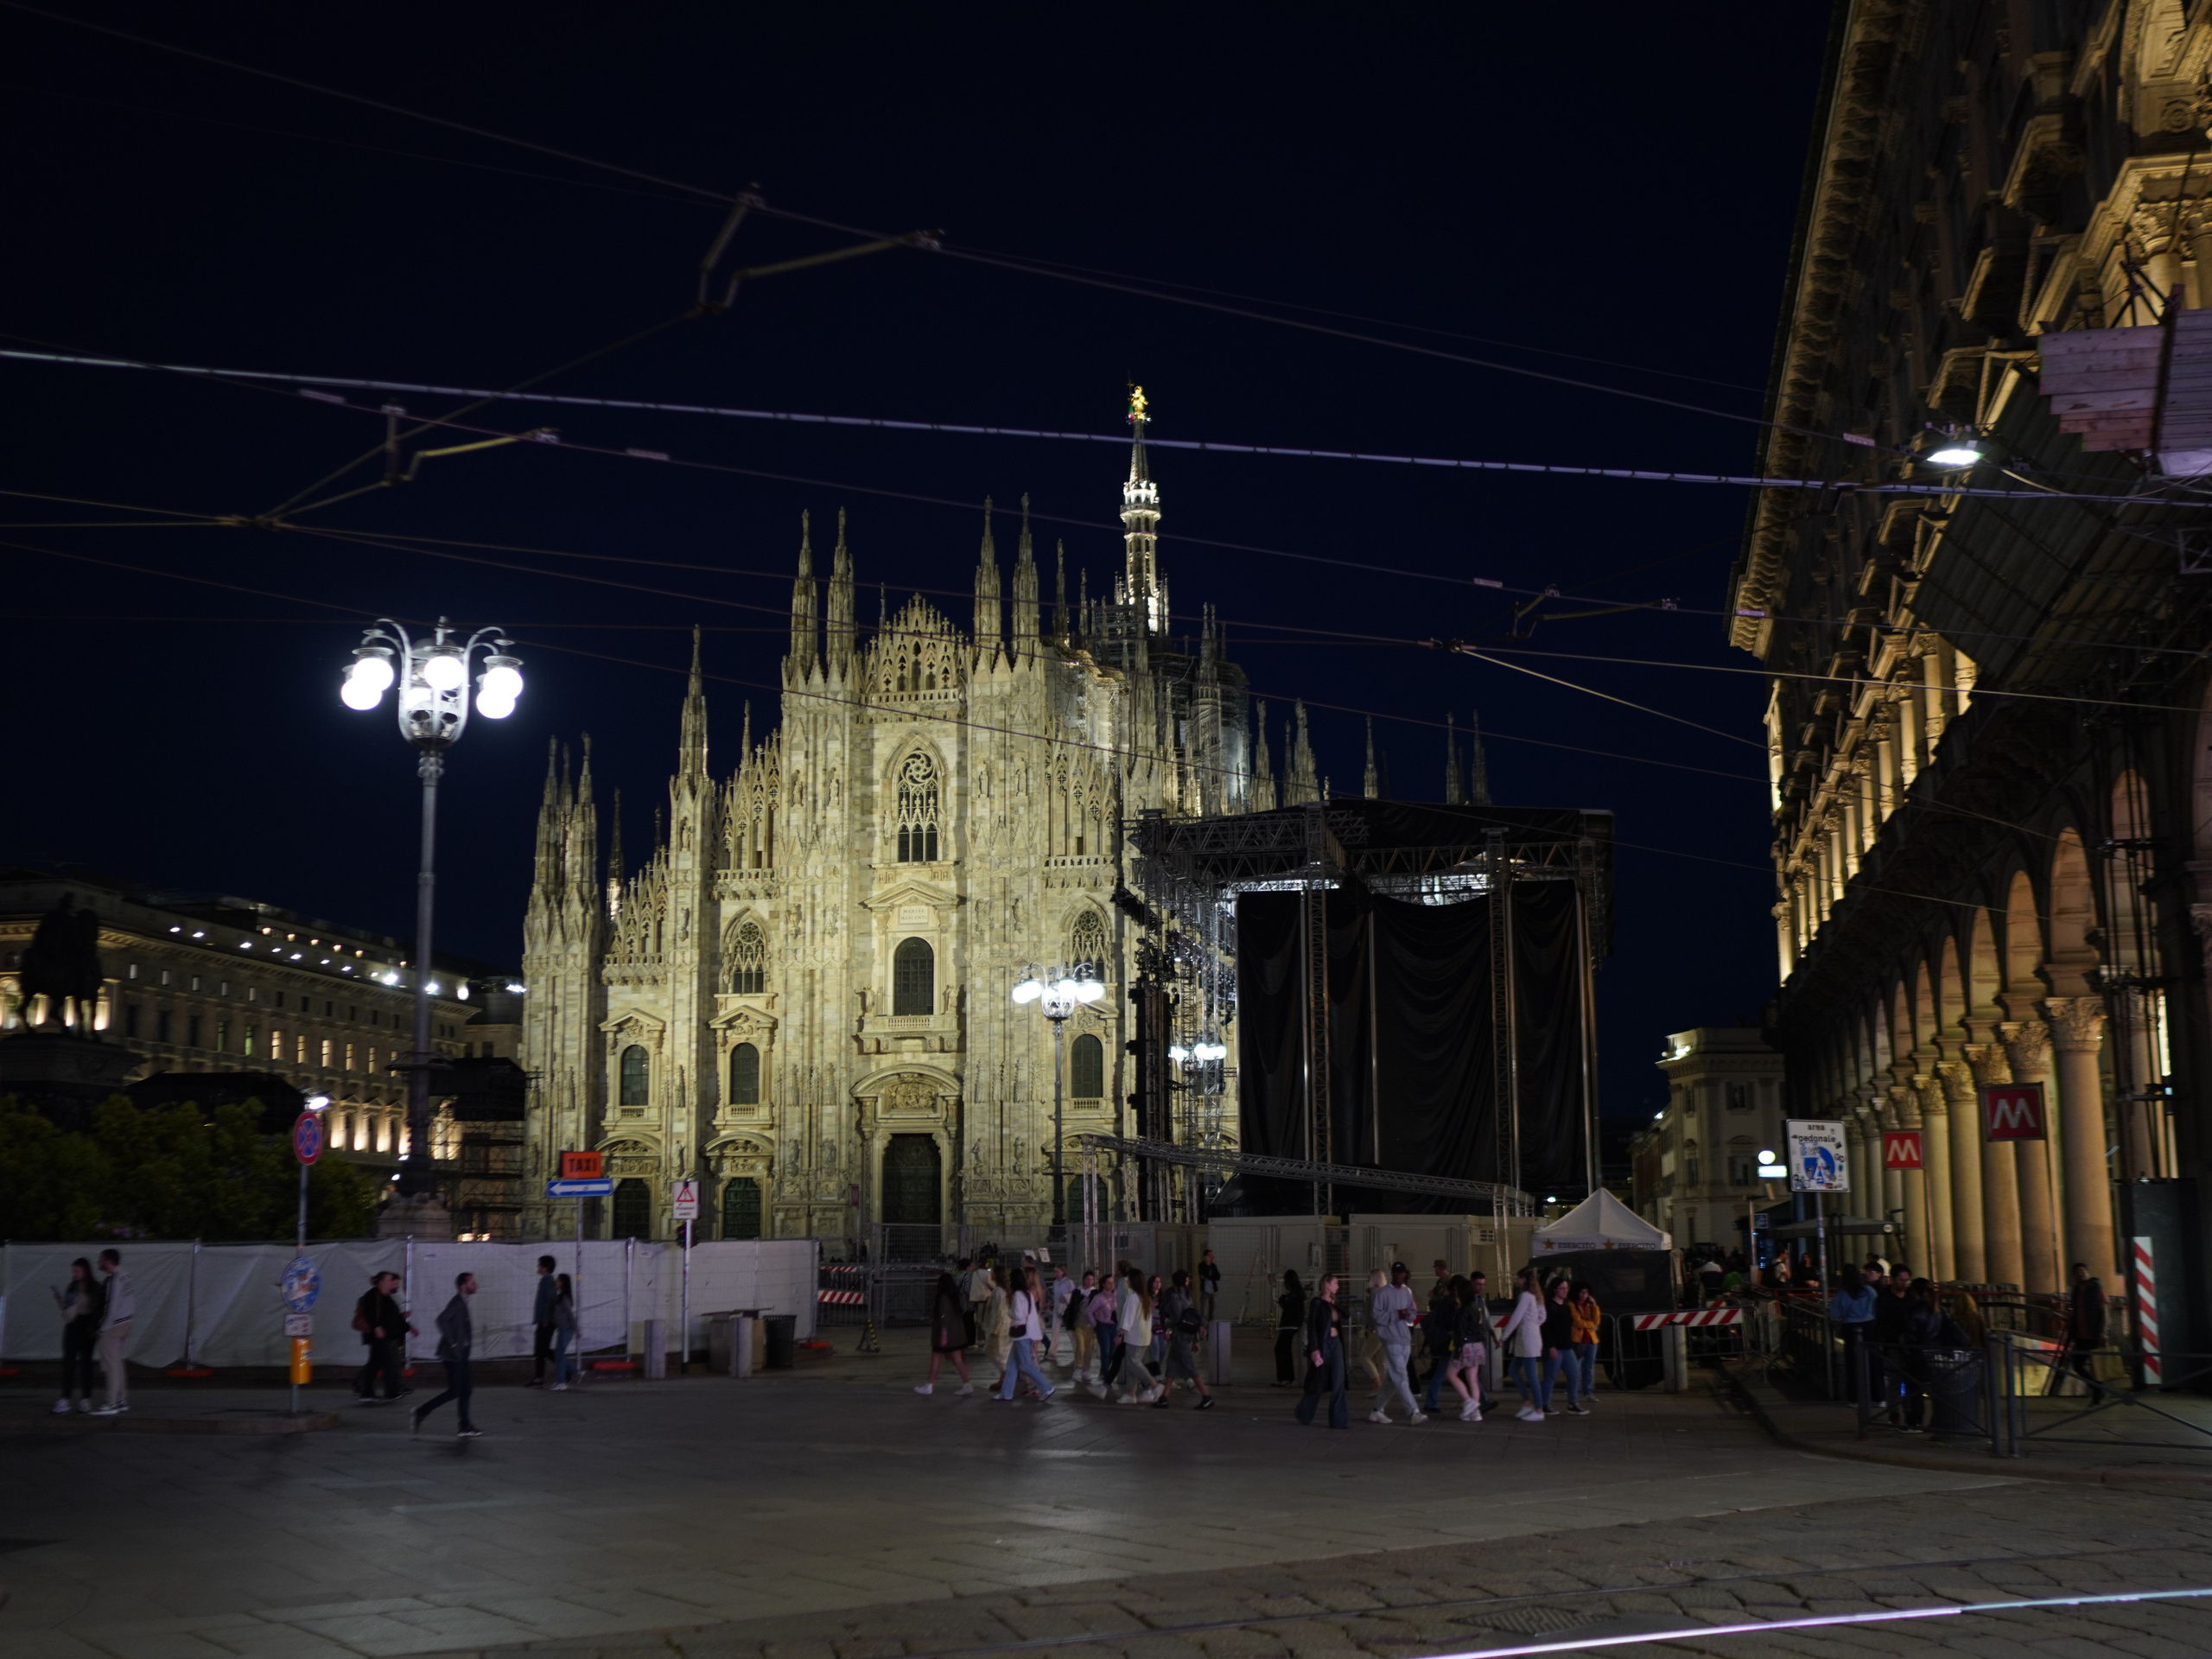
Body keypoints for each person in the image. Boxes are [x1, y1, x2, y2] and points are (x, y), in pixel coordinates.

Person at [410, 1272, 481, 1439]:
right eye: (472, 1283)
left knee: (466, 1390)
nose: (475, 1285)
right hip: (453, 1356)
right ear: (463, 1286)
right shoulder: (457, 1303)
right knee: (455, 1391)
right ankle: (421, 1412)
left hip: (460, 1355)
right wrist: (452, 1343)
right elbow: (441, 1320)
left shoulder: (462, 1303)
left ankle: (464, 1425)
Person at [1368, 1261, 1425, 1425]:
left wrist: (1407, 1315)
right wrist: (1396, 1315)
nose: (1400, 1276)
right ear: (1392, 1274)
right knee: (1401, 1376)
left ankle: (1377, 1410)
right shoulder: (1383, 1293)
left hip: (1404, 1338)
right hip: (1391, 1339)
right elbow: (1377, 1316)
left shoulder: (1407, 1292)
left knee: (1392, 1380)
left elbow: (1413, 1313)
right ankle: (1413, 1412)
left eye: (1402, 1273)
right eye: (1397, 1273)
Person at [995, 1266, 1057, 1403]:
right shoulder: (1027, 1294)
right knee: (1012, 1365)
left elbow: (1017, 1314)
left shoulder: (1017, 1295)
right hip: (1027, 1333)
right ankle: (1006, 1393)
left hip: (1020, 1334)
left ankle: (1047, 1387)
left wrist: (1009, 1312)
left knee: (1026, 1365)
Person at [1294, 1272, 1349, 1428]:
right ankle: (1303, 1413)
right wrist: (1315, 1348)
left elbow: (1347, 1315)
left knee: (1339, 1381)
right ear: (1327, 1284)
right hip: (1324, 1345)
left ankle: (1339, 1420)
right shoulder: (1317, 1303)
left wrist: (1333, 1302)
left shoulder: (1334, 1303)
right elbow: (1312, 1327)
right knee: (1318, 1381)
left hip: (1336, 1344)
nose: (1337, 1286)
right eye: (1335, 1283)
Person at [1156, 1269, 1216, 1408]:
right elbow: (1192, 1317)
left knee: (1190, 1367)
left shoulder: (1175, 1297)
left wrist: (1166, 1324)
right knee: (1171, 1366)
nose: (1188, 1281)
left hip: (1179, 1337)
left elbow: (1177, 1318)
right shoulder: (1187, 1296)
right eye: (1187, 1279)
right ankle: (1164, 1397)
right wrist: (1195, 1338)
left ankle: (1206, 1397)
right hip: (1186, 1336)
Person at [353, 1269, 413, 1403]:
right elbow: (370, 1314)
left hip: (383, 1337)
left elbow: (393, 1318)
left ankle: (367, 1392)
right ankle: (391, 1392)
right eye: (390, 1280)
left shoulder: (386, 1298)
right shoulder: (373, 1295)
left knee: (375, 1364)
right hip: (377, 1337)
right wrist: (376, 1327)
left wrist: (409, 1327)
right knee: (388, 1364)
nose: (392, 1283)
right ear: (382, 1282)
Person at [1497, 1267, 1547, 1422]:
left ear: (1525, 1280)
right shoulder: (1536, 1296)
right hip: (1531, 1337)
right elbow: (1543, 1316)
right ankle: (1527, 1402)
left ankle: (1538, 1409)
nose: (1517, 1281)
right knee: (1514, 1370)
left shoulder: (1525, 1296)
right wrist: (1533, 1323)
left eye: (1519, 1278)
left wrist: (1504, 1337)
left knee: (1530, 1375)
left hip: (1526, 1339)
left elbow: (1516, 1318)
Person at [51, 1257, 100, 1414]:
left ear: (85, 1271)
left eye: (77, 1271)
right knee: (68, 1363)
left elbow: (99, 1310)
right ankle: (65, 1398)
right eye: (73, 1271)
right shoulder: (72, 1287)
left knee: (86, 1364)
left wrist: (94, 1327)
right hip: (72, 1326)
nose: (74, 1274)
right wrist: (66, 1308)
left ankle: (86, 1399)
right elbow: (66, 1313)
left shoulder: (95, 1287)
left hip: (87, 1327)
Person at [915, 1270, 976, 1396]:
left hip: (945, 1334)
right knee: (958, 1360)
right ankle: (967, 1384)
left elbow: (944, 1317)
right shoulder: (956, 1296)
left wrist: (943, 1333)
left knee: (936, 1357)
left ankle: (929, 1385)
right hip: (957, 1334)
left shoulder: (943, 1297)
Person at [89, 1248, 134, 1416]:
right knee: (117, 1363)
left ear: (108, 1261)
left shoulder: (115, 1279)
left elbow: (112, 1307)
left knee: (111, 1366)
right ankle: (121, 1399)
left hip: (114, 1325)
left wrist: (102, 1329)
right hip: (126, 1323)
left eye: (100, 1260)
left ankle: (111, 1402)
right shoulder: (126, 1275)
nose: (98, 1263)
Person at [1114, 1267, 1159, 1403]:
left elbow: (1128, 1319)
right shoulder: (1145, 1297)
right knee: (1132, 1364)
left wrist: (1120, 1335)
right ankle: (1131, 1393)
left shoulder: (1133, 1297)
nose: (1127, 1282)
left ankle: (1154, 1385)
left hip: (1134, 1336)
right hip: (1144, 1335)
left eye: (1128, 1280)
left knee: (1134, 1363)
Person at [1445, 1278, 1486, 1422]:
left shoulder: (1463, 1310)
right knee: (1473, 1380)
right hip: (1477, 1346)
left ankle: (1469, 1403)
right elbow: (1481, 1327)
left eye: (1457, 1290)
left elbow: (1460, 1332)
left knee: (1451, 1374)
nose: (1455, 1293)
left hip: (1465, 1347)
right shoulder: (1476, 1307)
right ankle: (1475, 1413)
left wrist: (1457, 1352)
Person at [2064, 1261, 2107, 1392]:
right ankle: (2098, 1389)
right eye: (2078, 1273)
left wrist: (2103, 1332)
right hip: (2080, 1335)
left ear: (2088, 1273)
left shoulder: (2096, 1288)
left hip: (2094, 1334)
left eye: (2083, 1272)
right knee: (2077, 1364)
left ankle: (2098, 1393)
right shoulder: (2076, 1290)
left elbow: (2105, 1311)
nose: (2081, 1274)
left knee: (2097, 1366)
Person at [1538, 1276, 1578, 1415]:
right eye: (1562, 1288)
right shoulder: (1549, 1306)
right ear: (1555, 1290)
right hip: (1554, 1347)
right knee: (1550, 1376)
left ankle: (1573, 1403)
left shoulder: (1566, 1307)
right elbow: (1546, 1328)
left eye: (1566, 1288)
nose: (1565, 1291)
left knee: (1574, 1374)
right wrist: (1550, 1346)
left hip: (1567, 1347)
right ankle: (1544, 1404)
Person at [1567, 1283, 1602, 1411]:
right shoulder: (1572, 1305)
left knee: (1589, 1367)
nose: (1584, 1295)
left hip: (1591, 1340)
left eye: (1586, 1292)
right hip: (1578, 1340)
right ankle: (1573, 1392)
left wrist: (1594, 1306)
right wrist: (1590, 1324)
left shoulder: (1589, 1305)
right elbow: (1577, 1322)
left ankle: (1588, 1392)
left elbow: (1597, 1321)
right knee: (1575, 1367)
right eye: (1582, 1292)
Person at [1088, 1269, 1123, 1395]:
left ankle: (1106, 1373)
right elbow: (1089, 1312)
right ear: (1103, 1284)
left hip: (1114, 1326)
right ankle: (1105, 1374)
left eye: (1112, 1283)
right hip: (1103, 1326)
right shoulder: (1099, 1298)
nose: (1111, 1285)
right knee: (1106, 1351)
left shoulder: (1116, 1296)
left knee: (1113, 1351)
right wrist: (1096, 1324)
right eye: (1108, 1283)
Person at [528, 1255, 557, 1389]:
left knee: (541, 1350)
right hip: (547, 1321)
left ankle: (566, 1369)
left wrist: (545, 1319)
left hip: (546, 1322)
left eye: (540, 1265)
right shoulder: (547, 1280)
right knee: (542, 1350)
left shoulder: (547, 1281)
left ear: (545, 1268)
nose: (538, 1267)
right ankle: (539, 1377)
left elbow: (550, 1301)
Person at [1274, 1269, 1306, 1387]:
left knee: (1281, 1349)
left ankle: (1285, 1377)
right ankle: (1287, 1377)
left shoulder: (1293, 1294)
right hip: (1292, 1324)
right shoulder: (1298, 1294)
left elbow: (1285, 1304)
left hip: (1289, 1324)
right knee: (1283, 1349)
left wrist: (1282, 1298)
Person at [549, 1273, 580, 1390]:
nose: (556, 1282)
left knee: (559, 1356)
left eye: (558, 1280)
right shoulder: (559, 1297)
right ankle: (576, 1372)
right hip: (563, 1329)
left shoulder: (564, 1298)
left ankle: (561, 1382)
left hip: (567, 1329)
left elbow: (570, 1316)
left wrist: (577, 1331)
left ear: (563, 1283)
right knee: (559, 1355)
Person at [984, 1264, 1014, 1386]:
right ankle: (1004, 1378)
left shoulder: (999, 1291)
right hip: (1004, 1325)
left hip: (1000, 1327)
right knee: (1000, 1353)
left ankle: (1006, 1375)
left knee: (996, 1353)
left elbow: (1000, 1312)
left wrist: (995, 1329)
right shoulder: (1002, 1290)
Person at [1070, 1270, 1100, 1381]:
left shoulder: (1095, 1293)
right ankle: (1078, 1368)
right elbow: (1072, 1308)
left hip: (1091, 1326)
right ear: (1084, 1280)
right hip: (1079, 1324)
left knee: (1089, 1349)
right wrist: (1069, 1323)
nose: (1089, 1282)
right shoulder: (1077, 1292)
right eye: (1087, 1279)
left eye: (1091, 1280)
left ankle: (1086, 1370)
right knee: (1080, 1347)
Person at [1198, 1249, 1222, 1321]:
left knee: (1213, 1308)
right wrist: (1208, 1265)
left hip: (1213, 1290)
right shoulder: (1201, 1265)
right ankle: (1203, 1324)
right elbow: (1204, 1274)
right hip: (1205, 1290)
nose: (1213, 1257)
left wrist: (1208, 1277)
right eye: (1211, 1256)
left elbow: (1218, 1277)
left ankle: (1211, 1322)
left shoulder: (1214, 1266)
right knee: (1204, 1309)